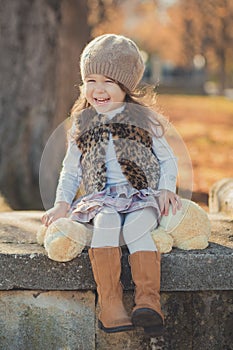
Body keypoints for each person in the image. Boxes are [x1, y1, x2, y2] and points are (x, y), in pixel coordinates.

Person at [42, 34, 182, 336]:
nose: (98, 89)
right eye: (90, 80)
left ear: (126, 85)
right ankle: (111, 304)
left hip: (140, 196)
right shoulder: (81, 123)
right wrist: (62, 203)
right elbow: (70, 171)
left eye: (108, 80)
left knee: (136, 227)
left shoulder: (143, 120)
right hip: (102, 199)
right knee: (105, 224)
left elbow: (168, 160)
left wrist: (166, 188)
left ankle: (148, 301)